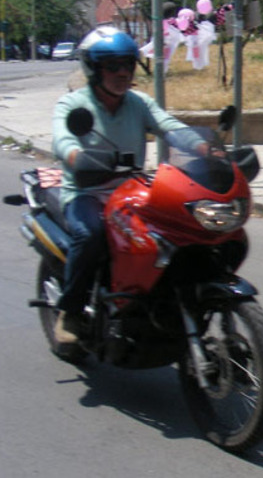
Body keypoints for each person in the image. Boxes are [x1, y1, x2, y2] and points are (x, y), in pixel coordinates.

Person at [51, 26, 204, 345]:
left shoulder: (139, 102)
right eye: (113, 65)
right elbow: (64, 143)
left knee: (174, 231)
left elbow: (170, 127)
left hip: (131, 192)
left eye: (128, 65)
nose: (123, 72)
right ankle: (71, 311)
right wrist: (80, 158)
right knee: (90, 235)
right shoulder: (72, 105)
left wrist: (208, 149)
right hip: (87, 193)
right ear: (93, 68)